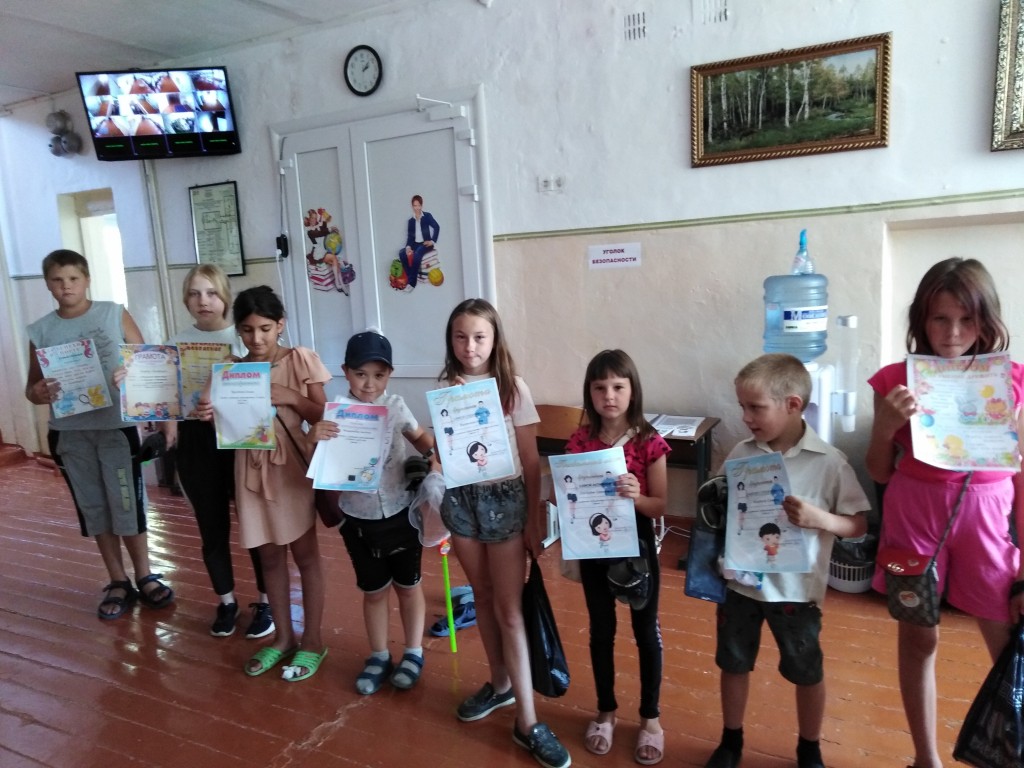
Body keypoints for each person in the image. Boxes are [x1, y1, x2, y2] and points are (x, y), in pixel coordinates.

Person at [865, 257, 1024, 768]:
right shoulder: (895, 380)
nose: (952, 333)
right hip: (914, 517)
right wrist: (884, 427)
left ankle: (1011, 751)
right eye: (940, 318)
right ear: (921, 319)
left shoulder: (1011, 381)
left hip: (988, 519)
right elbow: (880, 471)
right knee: (919, 637)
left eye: (966, 319)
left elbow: (1021, 475)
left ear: (987, 320)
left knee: (1008, 641)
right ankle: (925, 757)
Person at [706, 353, 869, 768]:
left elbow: (858, 525)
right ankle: (731, 740)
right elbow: (719, 504)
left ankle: (808, 747)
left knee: (806, 670)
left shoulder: (830, 462)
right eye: (742, 406)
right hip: (741, 585)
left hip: (797, 592)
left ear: (793, 405)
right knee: (733, 663)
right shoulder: (741, 453)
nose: (745, 417)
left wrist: (821, 519)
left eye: (755, 407)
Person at [438, 298, 570, 768]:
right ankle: (500, 684)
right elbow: (446, 453)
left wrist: (534, 520)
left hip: (506, 501)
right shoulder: (446, 387)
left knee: (510, 610)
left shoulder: (513, 388)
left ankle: (528, 720)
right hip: (462, 501)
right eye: (460, 337)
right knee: (483, 595)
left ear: (495, 340)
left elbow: (531, 461)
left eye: (479, 337)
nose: (470, 346)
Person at [24, 249, 175, 620]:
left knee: (127, 502)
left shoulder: (113, 313)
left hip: (115, 429)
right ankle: (117, 579)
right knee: (94, 507)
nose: (66, 286)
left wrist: (149, 401)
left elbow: (147, 363)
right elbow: (32, 389)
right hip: (69, 433)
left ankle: (145, 575)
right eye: (57, 280)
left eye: (73, 278)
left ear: (87, 279)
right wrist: (38, 393)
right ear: (47, 284)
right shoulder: (40, 330)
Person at [196, 286, 330, 681]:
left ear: (281, 325)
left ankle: (313, 640)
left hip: (291, 468)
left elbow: (323, 413)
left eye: (265, 329)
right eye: (248, 330)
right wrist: (207, 410)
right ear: (237, 329)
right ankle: (283, 637)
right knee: (269, 556)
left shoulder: (299, 359)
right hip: (249, 469)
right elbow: (220, 419)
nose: (256, 339)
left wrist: (289, 396)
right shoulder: (230, 369)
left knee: (305, 556)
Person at [308, 330, 436, 695]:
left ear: (389, 374)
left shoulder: (395, 406)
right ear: (345, 371)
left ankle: (413, 652)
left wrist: (437, 458)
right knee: (374, 591)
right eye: (360, 374)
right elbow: (321, 465)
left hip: (402, 511)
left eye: (379, 375)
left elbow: (421, 440)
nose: (369, 383)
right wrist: (312, 438)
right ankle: (379, 654)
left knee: (409, 586)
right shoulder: (336, 415)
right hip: (357, 518)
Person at [562, 349, 670, 765]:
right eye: (600, 387)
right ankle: (605, 711)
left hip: (637, 548)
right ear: (589, 393)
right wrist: (561, 494)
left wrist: (637, 496)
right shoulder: (580, 441)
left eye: (618, 387)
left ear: (632, 391)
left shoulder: (649, 441)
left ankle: (650, 718)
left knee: (646, 632)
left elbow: (660, 506)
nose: (609, 395)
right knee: (601, 630)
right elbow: (567, 494)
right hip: (593, 549)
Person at [163, 265, 272, 639]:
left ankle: (266, 600)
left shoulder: (243, 338)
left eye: (211, 292)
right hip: (196, 441)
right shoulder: (173, 345)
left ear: (225, 296)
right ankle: (226, 601)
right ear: (185, 300)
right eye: (195, 293)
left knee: (254, 525)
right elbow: (163, 398)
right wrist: (132, 385)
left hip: (240, 439)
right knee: (211, 527)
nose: (203, 301)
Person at [399, 194, 439, 289]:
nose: (416, 208)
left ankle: (412, 284)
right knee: (402, 253)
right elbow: (410, 237)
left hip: (426, 244)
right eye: (414, 206)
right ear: (412, 206)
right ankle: (411, 278)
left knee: (417, 254)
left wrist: (432, 241)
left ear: (421, 205)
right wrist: (408, 247)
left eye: (418, 205)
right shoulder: (411, 221)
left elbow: (437, 227)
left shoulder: (427, 216)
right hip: (415, 244)